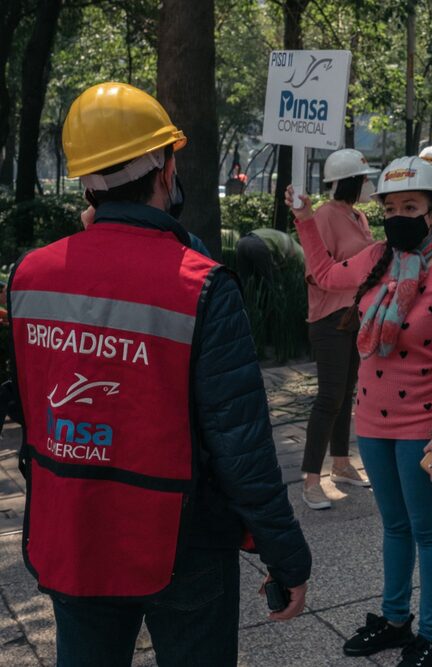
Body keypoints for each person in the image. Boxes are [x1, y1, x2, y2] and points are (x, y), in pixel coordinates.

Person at [5, 82, 310, 666]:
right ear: (166, 169)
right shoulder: (203, 284)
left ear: (85, 180)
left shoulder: (30, 275)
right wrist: (286, 553)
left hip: (74, 529)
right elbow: (240, 443)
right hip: (182, 543)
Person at [289, 156, 432, 667]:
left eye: (410, 206)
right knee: (394, 526)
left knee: (428, 531)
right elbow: (324, 274)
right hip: (372, 418)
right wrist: (304, 219)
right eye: (389, 208)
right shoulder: (376, 258)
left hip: (423, 425)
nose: (398, 216)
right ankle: (394, 619)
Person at [299, 148, 378, 509]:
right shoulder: (325, 216)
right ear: (350, 181)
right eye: (363, 179)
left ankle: (342, 463)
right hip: (330, 317)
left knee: (346, 393)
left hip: (355, 314)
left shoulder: (357, 216)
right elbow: (315, 272)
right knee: (329, 397)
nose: (368, 185)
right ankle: (310, 479)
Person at [234, 227, 304, 286]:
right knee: (267, 281)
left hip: (242, 242)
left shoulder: (285, 238)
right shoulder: (300, 251)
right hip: (258, 245)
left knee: (244, 279)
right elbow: (284, 263)